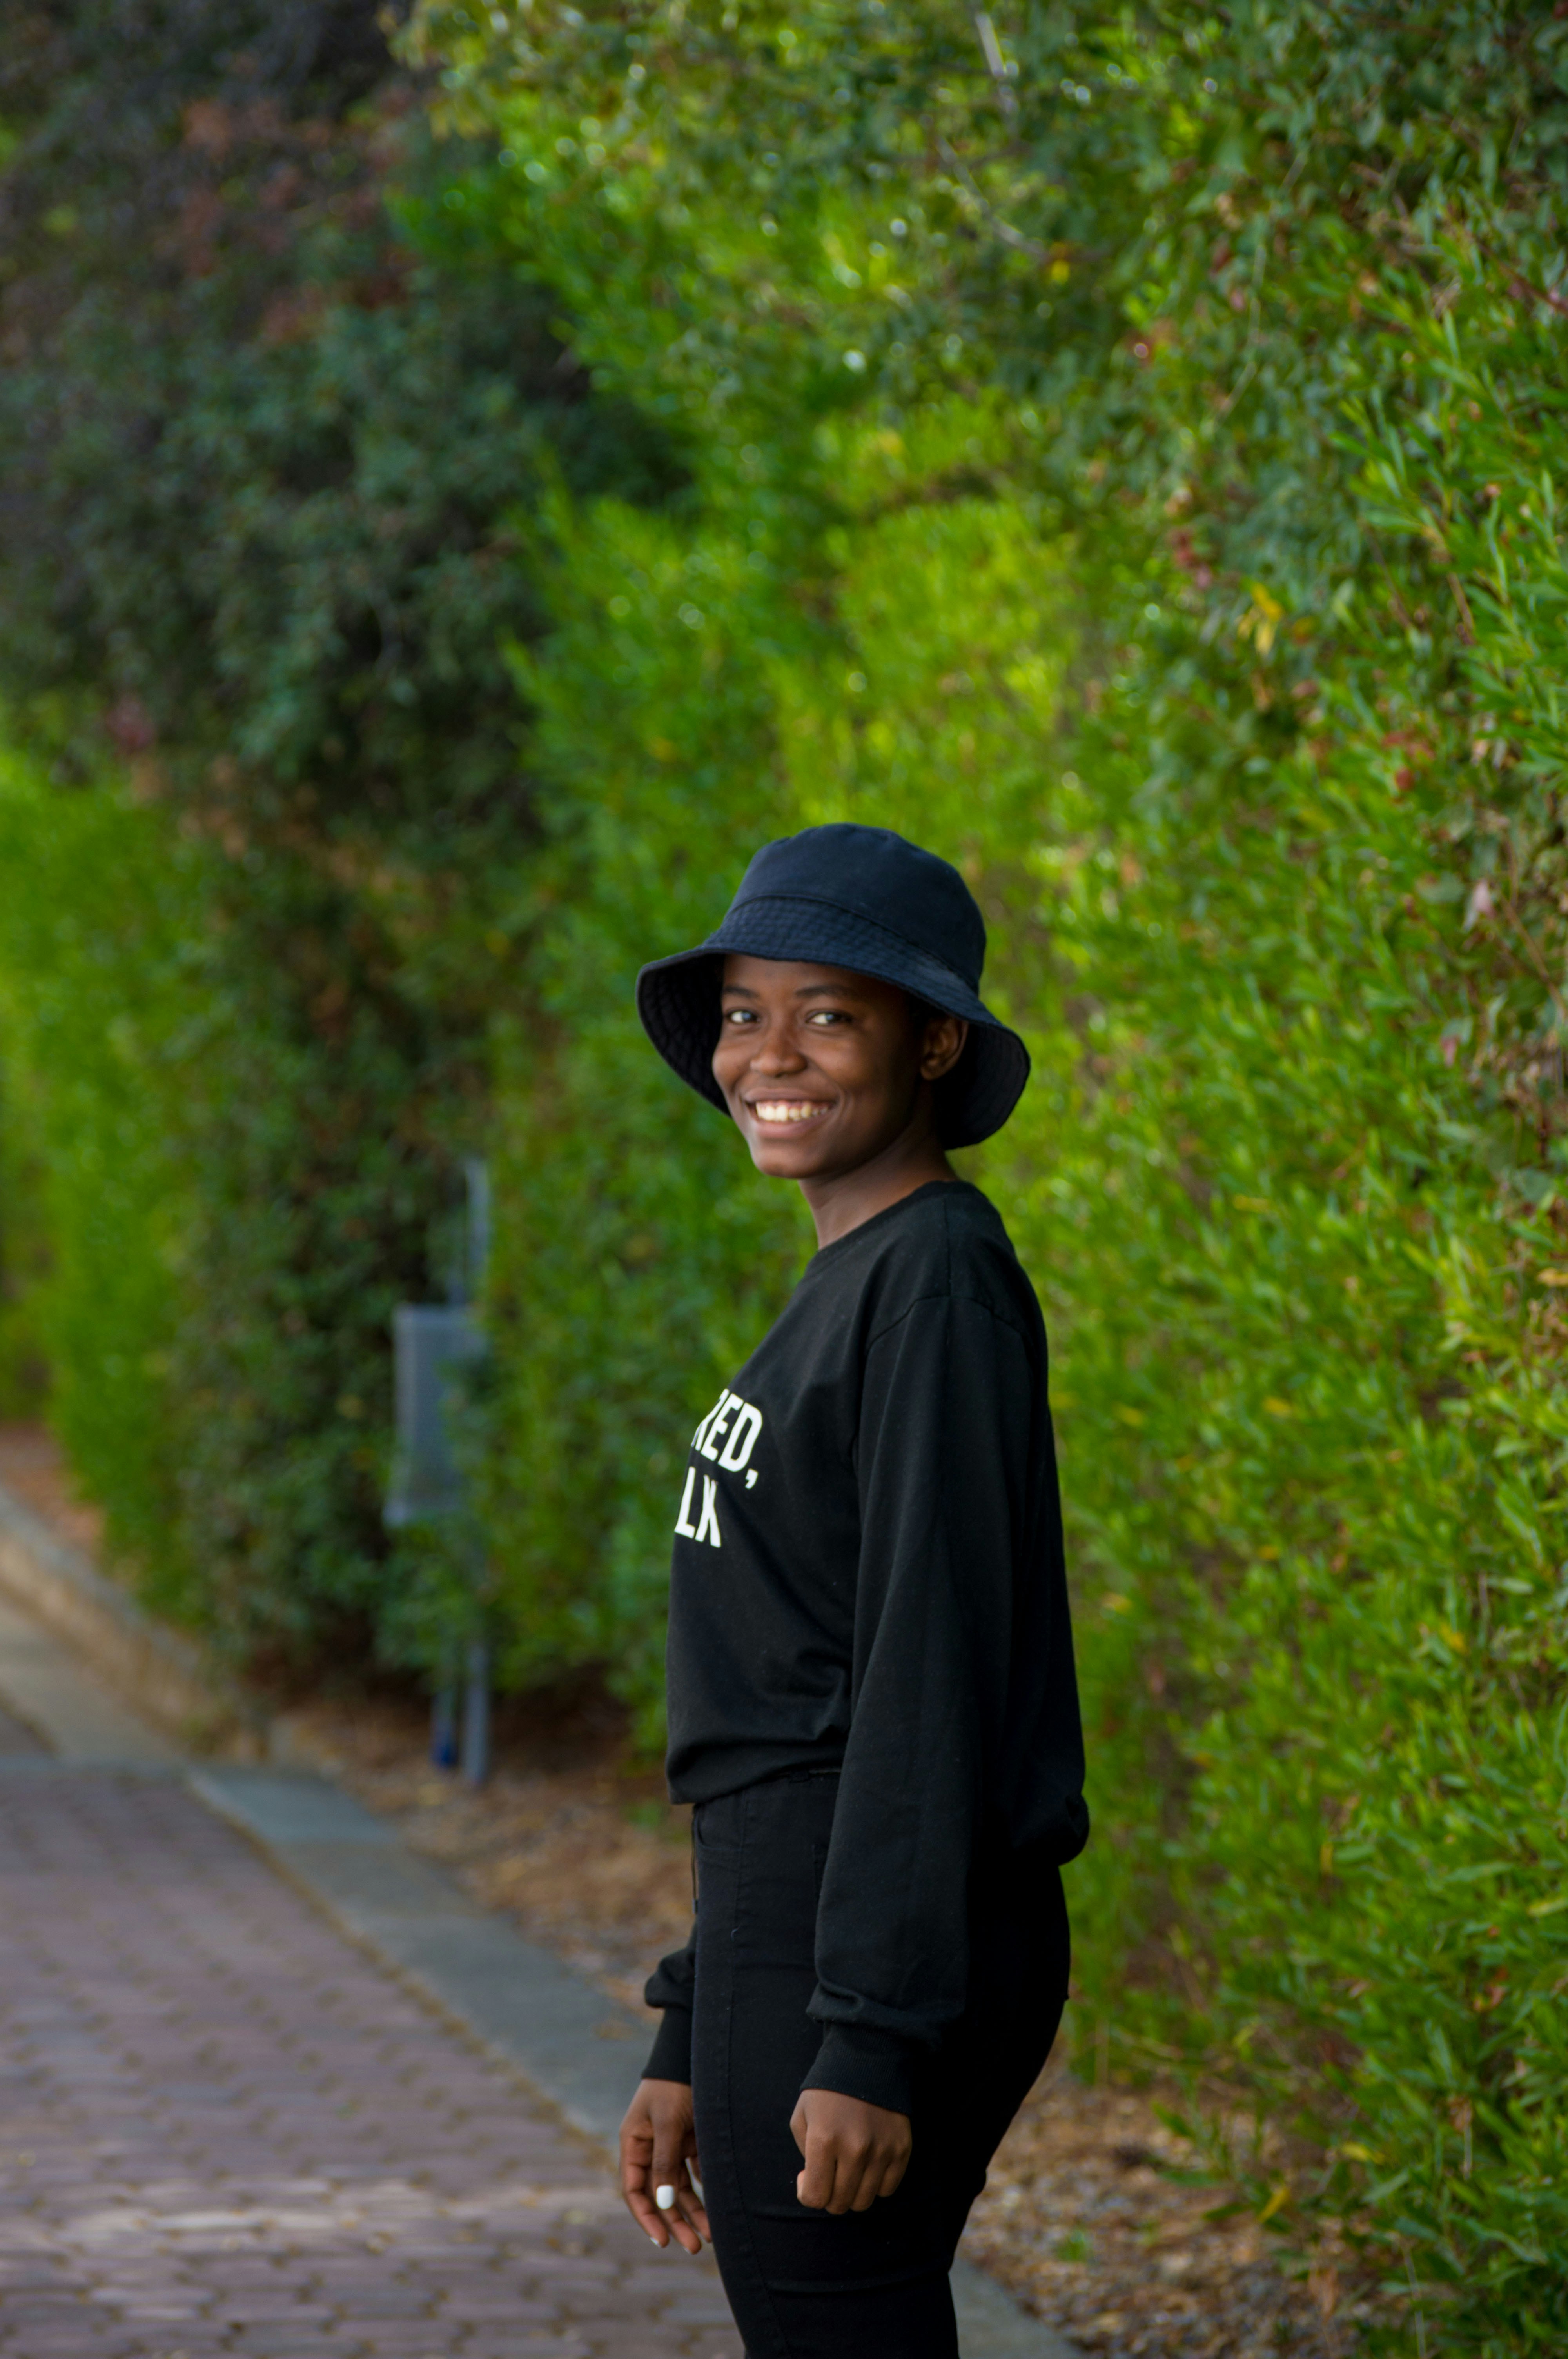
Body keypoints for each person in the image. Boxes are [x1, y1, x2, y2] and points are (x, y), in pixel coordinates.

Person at [619, 823, 1088, 2359]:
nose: (771, 1053)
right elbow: (777, 1678)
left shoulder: (934, 1278)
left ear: (932, 1038)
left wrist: (873, 2035)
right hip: (791, 1919)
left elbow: (923, 1666)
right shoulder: (855, 1278)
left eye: (830, 1012)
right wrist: (692, 2019)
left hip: (860, 1935)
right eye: (747, 1012)